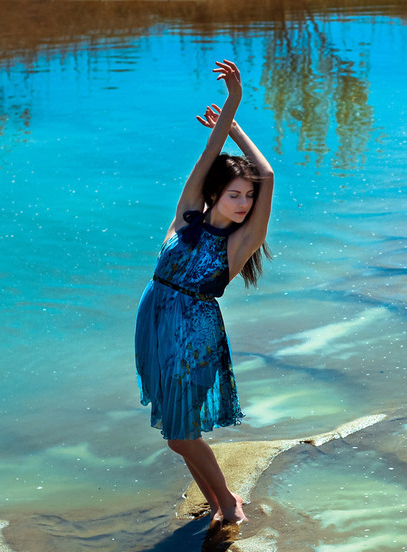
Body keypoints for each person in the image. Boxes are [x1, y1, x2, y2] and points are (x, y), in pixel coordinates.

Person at [135, 60, 274, 525]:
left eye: (248, 198)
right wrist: (225, 122)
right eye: (236, 194)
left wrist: (236, 115)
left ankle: (229, 503)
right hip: (154, 315)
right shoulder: (185, 215)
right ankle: (216, 503)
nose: (244, 204)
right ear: (214, 195)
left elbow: (267, 176)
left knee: (181, 431)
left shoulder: (239, 244)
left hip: (195, 331)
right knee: (176, 432)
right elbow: (205, 157)